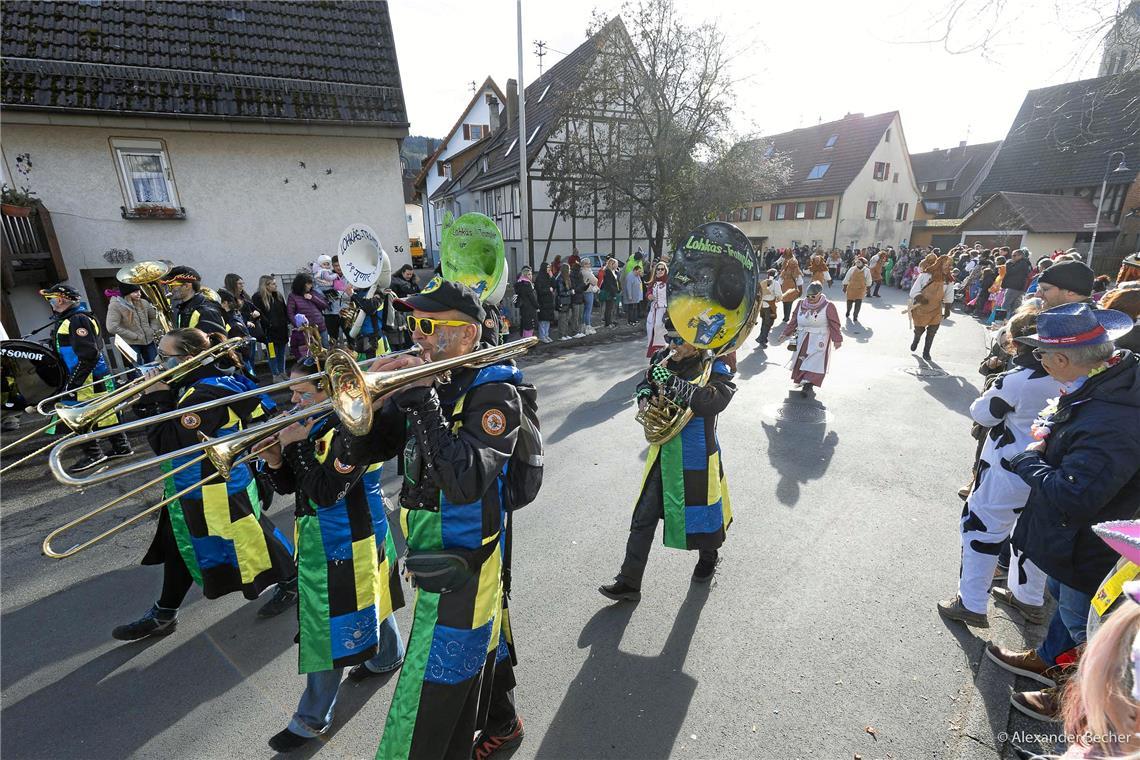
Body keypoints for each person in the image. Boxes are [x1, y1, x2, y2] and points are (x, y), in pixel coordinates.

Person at [343, 278, 526, 760]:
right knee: (461, 675)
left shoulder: (496, 393)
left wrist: (421, 398)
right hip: (430, 555)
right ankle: (501, 722)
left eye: (428, 325)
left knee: (427, 699)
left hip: (464, 564)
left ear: (466, 335)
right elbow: (373, 450)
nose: (416, 335)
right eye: (412, 323)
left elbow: (464, 481)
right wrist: (368, 409)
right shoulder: (433, 383)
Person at [985, 303, 1140, 722]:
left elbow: (1075, 494)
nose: (1039, 361)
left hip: (1090, 543)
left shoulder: (1112, 418)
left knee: (1086, 624)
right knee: (1064, 601)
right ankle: (1051, 659)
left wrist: (1028, 460)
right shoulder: (1110, 380)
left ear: (1063, 360)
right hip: (1078, 538)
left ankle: (1080, 702)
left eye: (1042, 354)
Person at [112, 328, 297, 641]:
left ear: (187, 359)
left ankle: (293, 581)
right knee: (179, 545)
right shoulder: (193, 384)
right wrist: (153, 394)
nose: (157, 362)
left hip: (214, 487)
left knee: (251, 538)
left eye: (164, 357)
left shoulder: (204, 393)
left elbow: (168, 442)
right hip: (191, 484)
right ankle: (164, 612)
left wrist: (155, 396)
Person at [258, 360, 405, 753]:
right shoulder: (316, 422)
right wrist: (276, 459)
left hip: (348, 536)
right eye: (292, 391)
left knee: (328, 627)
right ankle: (388, 655)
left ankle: (311, 718)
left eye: (303, 393)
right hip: (333, 533)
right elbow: (296, 485)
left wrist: (294, 446)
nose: (293, 400)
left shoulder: (356, 428)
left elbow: (326, 492)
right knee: (369, 597)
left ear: (335, 391)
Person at [600, 318, 736, 601]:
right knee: (643, 517)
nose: (672, 346)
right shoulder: (663, 358)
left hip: (697, 452)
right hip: (664, 450)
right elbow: (645, 381)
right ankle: (629, 581)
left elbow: (709, 402)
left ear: (696, 342)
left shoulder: (715, 366)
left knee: (703, 516)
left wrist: (671, 382)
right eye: (669, 339)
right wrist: (644, 395)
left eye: (678, 341)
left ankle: (709, 557)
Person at [938, 304, 1056, 629]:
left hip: (1008, 471)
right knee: (1032, 535)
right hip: (1050, 473)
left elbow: (982, 413)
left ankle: (971, 602)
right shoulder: (1076, 377)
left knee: (981, 529)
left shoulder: (1019, 380)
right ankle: (1028, 598)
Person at [40, 283, 133, 470]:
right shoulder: (71, 318)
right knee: (105, 412)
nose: (50, 302)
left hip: (86, 378)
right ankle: (121, 447)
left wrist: (73, 383)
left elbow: (89, 355)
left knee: (77, 416)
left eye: (51, 298)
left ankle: (94, 454)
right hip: (90, 376)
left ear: (61, 299)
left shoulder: (77, 320)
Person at [779, 281, 842, 396]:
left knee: (814, 361)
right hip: (802, 336)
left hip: (819, 338)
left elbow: (834, 324)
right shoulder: (801, 304)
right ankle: (803, 380)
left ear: (820, 294)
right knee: (801, 358)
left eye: (813, 296)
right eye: (808, 296)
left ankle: (809, 383)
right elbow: (794, 320)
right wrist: (785, 333)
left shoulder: (828, 306)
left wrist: (837, 339)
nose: (810, 298)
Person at [105, 282, 161, 363]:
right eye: (135, 292)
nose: (139, 294)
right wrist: (133, 336)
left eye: (139, 291)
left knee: (155, 364)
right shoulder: (115, 305)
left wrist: (152, 330)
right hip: (131, 343)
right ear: (127, 293)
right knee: (137, 369)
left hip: (149, 341)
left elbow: (154, 317)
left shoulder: (144, 302)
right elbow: (111, 327)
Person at [161, 265, 226, 334]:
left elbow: (214, 341)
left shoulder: (206, 311)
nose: (169, 291)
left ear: (187, 286)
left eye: (171, 286)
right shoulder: (184, 308)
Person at [908, 254, 949, 360]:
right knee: (919, 330)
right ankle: (916, 339)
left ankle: (926, 352)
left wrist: (948, 308)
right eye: (946, 265)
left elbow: (949, 294)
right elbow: (914, 290)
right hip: (922, 308)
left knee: (932, 331)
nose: (948, 268)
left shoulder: (948, 279)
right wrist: (921, 298)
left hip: (936, 309)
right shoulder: (925, 275)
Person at [253, 275, 289, 382]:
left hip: (281, 330)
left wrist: (287, 323)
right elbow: (259, 313)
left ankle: (282, 372)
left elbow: (284, 310)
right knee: (273, 353)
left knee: (282, 352)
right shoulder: (258, 297)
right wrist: (268, 324)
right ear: (266, 285)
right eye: (273, 283)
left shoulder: (278, 295)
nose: (276, 285)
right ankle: (275, 374)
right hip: (269, 332)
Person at [216, 288, 256, 377]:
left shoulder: (233, 322)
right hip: (240, 361)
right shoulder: (232, 316)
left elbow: (244, 349)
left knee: (249, 383)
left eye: (217, 302)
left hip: (240, 362)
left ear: (225, 303)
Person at [287, 273, 329, 347]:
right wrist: (297, 325)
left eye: (311, 284)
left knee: (325, 348)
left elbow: (324, 305)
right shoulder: (293, 296)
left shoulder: (313, 293)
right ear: (302, 284)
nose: (310, 286)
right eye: (308, 284)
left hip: (320, 327)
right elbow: (290, 313)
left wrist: (313, 298)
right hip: (306, 330)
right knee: (311, 352)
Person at [754, 269, 783, 348]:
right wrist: (778, 298)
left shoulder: (763, 282)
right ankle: (762, 339)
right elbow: (779, 295)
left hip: (762, 306)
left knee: (764, 322)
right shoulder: (775, 283)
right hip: (770, 307)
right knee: (769, 323)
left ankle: (762, 337)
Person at [645, 262, 668, 358]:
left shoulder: (668, 282)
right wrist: (649, 295)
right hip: (653, 309)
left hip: (664, 309)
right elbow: (648, 291)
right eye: (658, 269)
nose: (660, 271)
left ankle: (663, 350)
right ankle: (654, 352)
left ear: (665, 270)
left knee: (660, 328)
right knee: (650, 328)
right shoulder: (653, 282)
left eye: (662, 269)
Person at [842, 257, 872, 322]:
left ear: (863, 263)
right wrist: (845, 286)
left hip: (861, 289)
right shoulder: (852, 269)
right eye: (857, 262)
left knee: (858, 302)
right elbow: (847, 278)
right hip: (851, 288)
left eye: (859, 262)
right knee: (849, 301)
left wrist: (868, 288)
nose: (857, 263)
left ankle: (855, 315)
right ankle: (848, 311)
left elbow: (868, 280)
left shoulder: (867, 271)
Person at [777, 250, 803, 321]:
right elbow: (780, 280)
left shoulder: (796, 271)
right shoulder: (785, 270)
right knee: (785, 302)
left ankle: (786, 317)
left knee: (788, 303)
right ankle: (786, 316)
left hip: (791, 289)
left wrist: (800, 291)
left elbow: (799, 281)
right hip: (785, 289)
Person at [513, 266, 538, 338]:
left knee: (525, 326)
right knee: (529, 327)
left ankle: (524, 340)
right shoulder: (527, 284)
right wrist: (537, 306)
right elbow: (532, 298)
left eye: (531, 274)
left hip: (523, 308)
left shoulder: (519, 283)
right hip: (529, 308)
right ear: (525, 275)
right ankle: (528, 343)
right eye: (529, 274)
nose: (531, 276)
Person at [534, 262, 555, 343]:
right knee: (543, 320)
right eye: (547, 267)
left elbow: (554, 285)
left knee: (548, 319)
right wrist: (548, 290)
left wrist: (552, 277)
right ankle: (542, 336)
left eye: (549, 267)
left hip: (549, 301)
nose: (549, 269)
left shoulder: (548, 277)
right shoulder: (539, 278)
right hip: (542, 301)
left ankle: (546, 335)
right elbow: (539, 290)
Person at [598, 257, 622, 328]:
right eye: (616, 264)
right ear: (612, 264)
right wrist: (614, 292)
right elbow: (609, 284)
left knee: (613, 308)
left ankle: (612, 321)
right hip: (610, 292)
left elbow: (617, 281)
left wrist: (619, 289)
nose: (617, 265)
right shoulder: (608, 272)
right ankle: (607, 323)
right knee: (609, 308)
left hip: (616, 291)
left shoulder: (615, 272)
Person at [554, 262, 574, 340]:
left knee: (566, 319)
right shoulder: (560, 279)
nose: (570, 270)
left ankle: (565, 334)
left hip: (567, 301)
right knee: (562, 319)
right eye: (569, 269)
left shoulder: (566, 278)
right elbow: (561, 292)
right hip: (562, 301)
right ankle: (561, 335)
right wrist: (570, 292)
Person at [580, 260, 598, 335]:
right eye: (589, 263)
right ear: (585, 264)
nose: (590, 265)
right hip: (588, 292)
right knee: (588, 310)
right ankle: (588, 326)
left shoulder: (581, 272)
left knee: (585, 310)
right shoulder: (587, 272)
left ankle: (583, 327)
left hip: (583, 292)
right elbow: (595, 281)